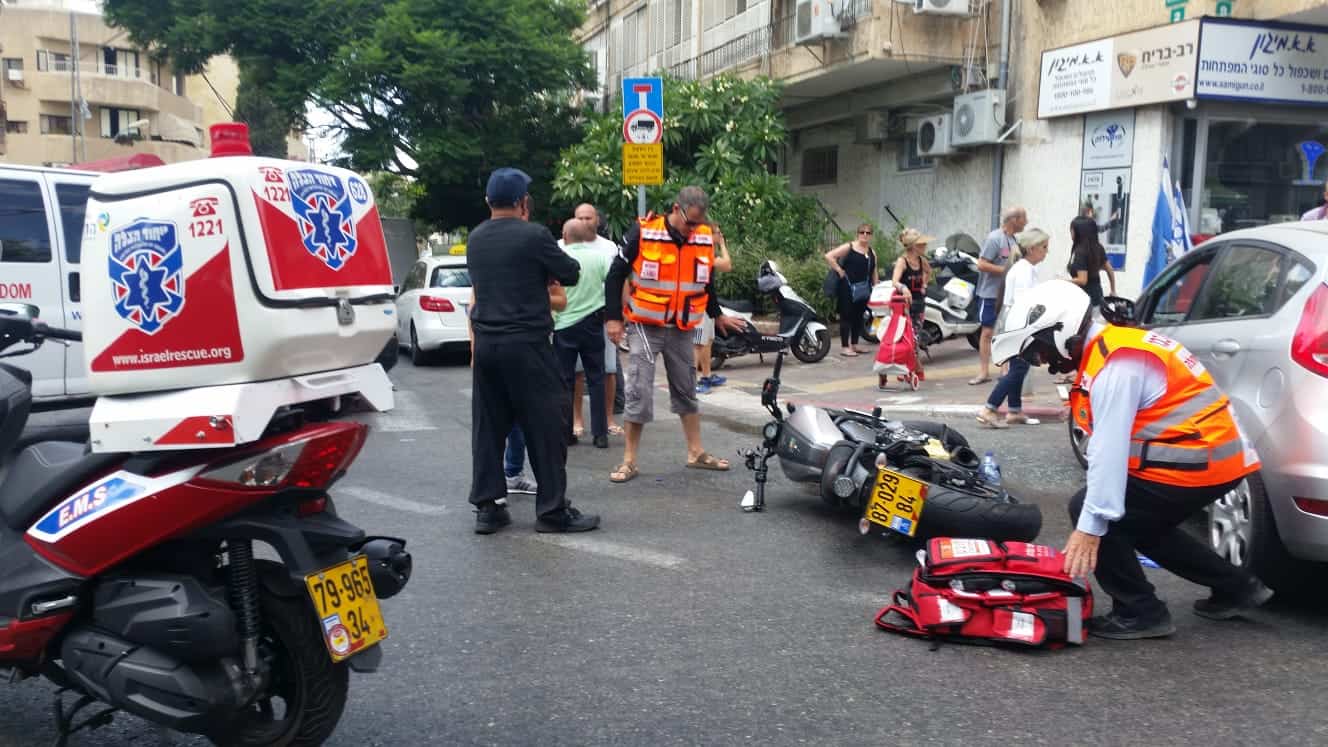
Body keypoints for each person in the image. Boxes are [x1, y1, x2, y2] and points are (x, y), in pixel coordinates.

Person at [991, 279, 1270, 640]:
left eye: (1038, 351)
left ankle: (1140, 610)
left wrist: (1090, 528)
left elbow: (1109, 451)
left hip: (1199, 460)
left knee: (1094, 509)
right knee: (1139, 523)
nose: (1041, 362)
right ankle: (1237, 587)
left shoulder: (1115, 364)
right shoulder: (1116, 346)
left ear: (1060, 331)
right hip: (1216, 458)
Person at [466, 167, 598, 534]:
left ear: (489, 201)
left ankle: (488, 509)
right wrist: (544, 272)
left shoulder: (475, 238)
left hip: (488, 345)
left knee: (488, 428)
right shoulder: (534, 235)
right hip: (527, 345)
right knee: (547, 426)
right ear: (523, 202)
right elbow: (569, 271)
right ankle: (552, 511)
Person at [604, 186, 745, 483]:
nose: (693, 228)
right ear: (676, 209)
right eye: (690, 222)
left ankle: (696, 452)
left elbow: (705, 281)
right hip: (646, 324)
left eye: (698, 222)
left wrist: (717, 315)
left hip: (682, 327)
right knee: (639, 389)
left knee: (686, 388)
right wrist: (613, 319)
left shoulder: (704, 236)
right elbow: (616, 273)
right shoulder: (644, 231)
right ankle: (629, 460)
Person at [977, 227, 1049, 429]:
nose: (1046, 252)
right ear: (1033, 248)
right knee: (1018, 368)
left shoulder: (1025, 267)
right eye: (1044, 247)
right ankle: (989, 409)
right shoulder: (1024, 269)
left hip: (1014, 321)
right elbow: (1024, 301)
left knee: (1020, 366)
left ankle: (1014, 410)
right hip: (1019, 322)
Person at [564, 203, 625, 439]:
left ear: (597, 220)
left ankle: (607, 421)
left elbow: (618, 281)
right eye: (580, 217)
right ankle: (577, 420)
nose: (584, 222)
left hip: (601, 318)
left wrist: (618, 315)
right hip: (570, 320)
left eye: (588, 217)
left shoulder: (609, 247)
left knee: (607, 371)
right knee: (577, 374)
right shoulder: (561, 248)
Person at [554, 218, 613, 449]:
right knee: (596, 378)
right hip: (593, 324)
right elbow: (611, 284)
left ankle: (567, 432)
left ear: (565, 236)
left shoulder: (558, 260)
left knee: (565, 381)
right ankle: (600, 434)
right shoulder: (599, 258)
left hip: (564, 325)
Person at [970, 206, 1027, 385]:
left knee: (1005, 332)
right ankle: (983, 372)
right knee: (987, 332)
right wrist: (1005, 271)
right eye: (1024, 218)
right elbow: (981, 264)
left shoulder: (1014, 240)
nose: (1027, 222)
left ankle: (1004, 370)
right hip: (990, 294)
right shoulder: (995, 238)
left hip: (1007, 295)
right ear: (1014, 220)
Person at [824, 223, 878, 356]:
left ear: (871, 236)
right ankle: (844, 347)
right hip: (847, 288)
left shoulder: (872, 252)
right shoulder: (849, 247)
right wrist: (839, 270)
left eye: (868, 233)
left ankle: (855, 344)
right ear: (857, 233)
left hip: (863, 288)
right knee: (846, 316)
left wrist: (876, 285)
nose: (865, 235)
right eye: (862, 232)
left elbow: (874, 270)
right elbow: (829, 256)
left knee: (859, 317)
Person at [694, 222, 733, 394]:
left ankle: (706, 375)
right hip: (698, 305)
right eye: (718, 233)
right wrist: (723, 245)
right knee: (697, 343)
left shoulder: (707, 252)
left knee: (707, 341)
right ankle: (692, 381)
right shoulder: (702, 253)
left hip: (708, 305)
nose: (720, 235)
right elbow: (727, 265)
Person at [1067, 215, 1117, 307]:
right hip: (1097, 295)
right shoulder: (1098, 247)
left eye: (1072, 230)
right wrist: (1113, 290)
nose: (1070, 232)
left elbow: (1082, 280)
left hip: (1084, 298)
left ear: (1079, 232)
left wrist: (1064, 281)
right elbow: (1109, 269)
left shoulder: (1080, 251)